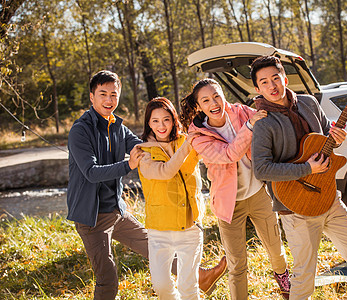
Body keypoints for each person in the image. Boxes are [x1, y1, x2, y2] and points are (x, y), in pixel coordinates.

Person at [67, 70, 225, 300]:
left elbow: (149, 144)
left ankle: (199, 277)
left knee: (153, 247)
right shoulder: (80, 130)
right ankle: (199, 278)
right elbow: (90, 173)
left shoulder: (117, 128)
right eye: (103, 94)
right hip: (92, 216)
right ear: (92, 97)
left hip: (117, 210)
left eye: (113, 94)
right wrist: (128, 165)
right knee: (107, 276)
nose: (109, 100)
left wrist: (174, 136)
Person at [249, 56, 347, 300]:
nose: (272, 86)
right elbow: (261, 169)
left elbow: (325, 136)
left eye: (275, 78)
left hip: (330, 199)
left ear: (285, 79)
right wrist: (306, 170)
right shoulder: (263, 123)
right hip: (296, 208)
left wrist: (337, 136)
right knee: (304, 276)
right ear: (257, 89)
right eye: (264, 82)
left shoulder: (309, 103)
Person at [180, 78, 290, 300]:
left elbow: (268, 119)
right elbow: (229, 154)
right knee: (237, 263)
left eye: (217, 95)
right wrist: (250, 127)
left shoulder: (241, 112)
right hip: (228, 205)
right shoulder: (198, 136)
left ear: (223, 95)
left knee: (276, 251)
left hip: (258, 194)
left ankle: (287, 288)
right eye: (206, 100)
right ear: (198, 106)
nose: (214, 103)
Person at [138, 97, 223, 299]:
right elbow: (165, 172)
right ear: (148, 123)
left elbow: (215, 149)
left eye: (166, 119)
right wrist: (188, 145)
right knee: (162, 287)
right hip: (159, 230)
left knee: (188, 286)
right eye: (155, 121)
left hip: (190, 225)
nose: (161, 126)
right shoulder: (143, 153)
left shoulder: (187, 141)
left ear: (174, 120)